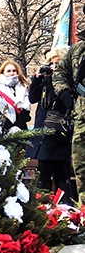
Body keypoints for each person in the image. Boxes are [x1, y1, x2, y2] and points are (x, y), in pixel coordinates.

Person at [29, 50, 72, 198]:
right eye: (51, 63)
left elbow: (64, 99)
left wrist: (58, 78)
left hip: (60, 132)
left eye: (57, 63)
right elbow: (32, 98)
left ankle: (66, 209)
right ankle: (43, 210)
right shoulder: (45, 80)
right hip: (44, 133)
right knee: (43, 176)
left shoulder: (68, 80)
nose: (53, 67)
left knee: (61, 175)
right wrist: (37, 79)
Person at [55, 40, 85, 203]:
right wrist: (64, 93)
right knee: (81, 166)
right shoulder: (79, 49)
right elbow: (60, 72)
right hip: (81, 116)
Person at [0, 60, 31, 130]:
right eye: (8, 71)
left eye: (14, 71)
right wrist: (10, 127)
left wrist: (17, 127)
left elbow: (26, 111)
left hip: (21, 128)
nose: (12, 73)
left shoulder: (23, 88)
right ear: (3, 72)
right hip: (2, 128)